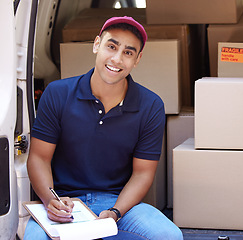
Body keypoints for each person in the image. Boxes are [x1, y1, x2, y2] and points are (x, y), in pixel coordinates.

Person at [23, 16, 183, 240]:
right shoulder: (57, 93)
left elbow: (143, 173)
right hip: (65, 202)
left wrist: (116, 212)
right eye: (112, 46)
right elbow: (39, 158)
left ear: (137, 59)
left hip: (118, 204)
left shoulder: (150, 105)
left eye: (128, 52)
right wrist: (52, 201)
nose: (117, 59)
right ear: (97, 44)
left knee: (169, 236)